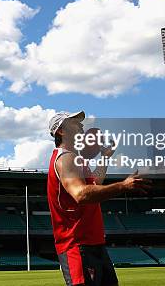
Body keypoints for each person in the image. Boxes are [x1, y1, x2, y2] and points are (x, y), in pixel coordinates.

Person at [47, 111, 151, 286]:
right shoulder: (65, 158)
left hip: (92, 244)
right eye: (75, 123)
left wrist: (105, 157)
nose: (81, 126)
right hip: (78, 246)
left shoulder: (76, 159)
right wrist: (123, 186)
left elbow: (94, 184)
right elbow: (81, 194)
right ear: (61, 131)